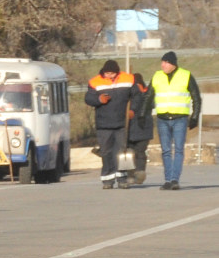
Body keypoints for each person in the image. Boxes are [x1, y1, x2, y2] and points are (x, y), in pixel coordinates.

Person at [146, 51, 202, 190]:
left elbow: (196, 97)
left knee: (178, 149)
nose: (162, 65)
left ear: (173, 64)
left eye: (165, 62)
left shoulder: (186, 75)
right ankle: (167, 180)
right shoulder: (157, 76)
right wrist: (142, 115)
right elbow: (147, 96)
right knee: (165, 150)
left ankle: (174, 179)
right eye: (162, 62)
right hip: (162, 118)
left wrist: (194, 116)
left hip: (180, 119)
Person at [84, 60, 134, 190]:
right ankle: (107, 179)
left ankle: (122, 179)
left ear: (116, 72)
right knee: (106, 152)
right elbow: (88, 98)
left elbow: (137, 96)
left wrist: (133, 110)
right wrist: (99, 100)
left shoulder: (128, 79)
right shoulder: (95, 82)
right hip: (103, 124)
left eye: (112, 73)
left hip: (122, 123)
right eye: (107, 73)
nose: (109, 76)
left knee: (121, 152)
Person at [126, 72, 153, 186]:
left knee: (129, 152)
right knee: (140, 152)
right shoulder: (147, 93)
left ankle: (130, 174)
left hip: (131, 128)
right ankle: (140, 173)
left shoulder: (130, 94)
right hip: (145, 128)